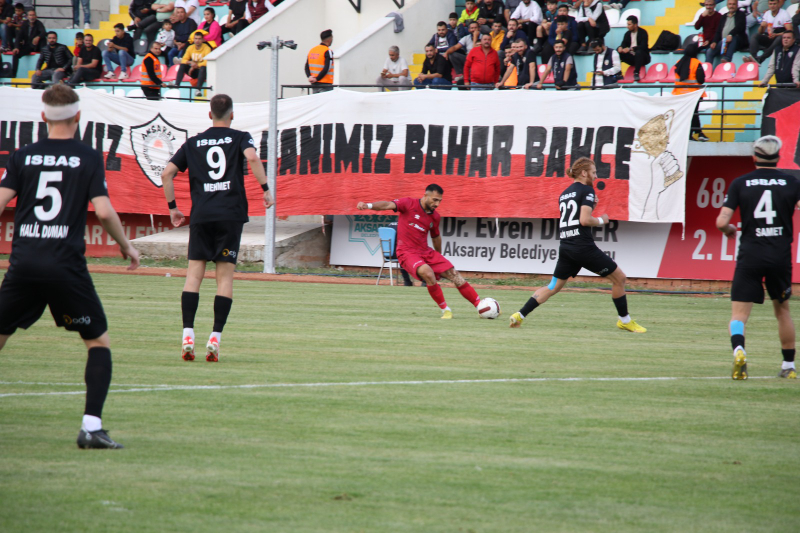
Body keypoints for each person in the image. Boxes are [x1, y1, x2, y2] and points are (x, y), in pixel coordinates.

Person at [0, 84, 140, 449]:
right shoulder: (88, 157)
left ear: (43, 117)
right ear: (79, 116)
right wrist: (126, 247)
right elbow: (105, 211)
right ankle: (91, 427)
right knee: (97, 342)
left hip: (24, 264)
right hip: (65, 267)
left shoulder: (22, 156)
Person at [161, 94, 274, 362]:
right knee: (224, 278)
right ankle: (215, 337)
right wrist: (266, 189)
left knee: (193, 276)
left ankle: (188, 334)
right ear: (231, 115)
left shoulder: (193, 142)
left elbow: (166, 174)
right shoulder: (240, 136)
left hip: (202, 215)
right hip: (229, 215)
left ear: (209, 115)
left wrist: (173, 208)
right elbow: (253, 159)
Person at [509, 157, 646, 333]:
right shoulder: (587, 190)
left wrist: (592, 207)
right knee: (619, 278)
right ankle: (624, 321)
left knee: (553, 287)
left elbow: (575, 219)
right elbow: (584, 220)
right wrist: (602, 220)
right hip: (582, 247)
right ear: (584, 172)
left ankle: (519, 315)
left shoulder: (565, 193)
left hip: (567, 246)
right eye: (594, 172)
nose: (595, 177)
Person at [715, 135, 800, 379]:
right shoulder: (792, 183)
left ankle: (739, 350)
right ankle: (788, 367)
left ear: (754, 157)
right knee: (782, 311)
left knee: (739, 314)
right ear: (779, 157)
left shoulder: (740, 183)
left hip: (750, 255)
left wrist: (728, 229)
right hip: (780, 255)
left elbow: (721, 221)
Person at [356, 185, 485, 319]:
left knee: (455, 275)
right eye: (435, 200)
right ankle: (445, 310)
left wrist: (439, 257)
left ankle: (481, 306)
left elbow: (435, 237)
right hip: (406, 252)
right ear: (425, 196)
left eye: (440, 201)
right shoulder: (408, 203)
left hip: (425, 251)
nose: (437, 204)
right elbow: (387, 205)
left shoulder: (435, 217)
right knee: (427, 272)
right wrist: (368, 205)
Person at [672, 43, 709, 142]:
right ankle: (698, 133)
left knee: (686, 115)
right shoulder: (696, 63)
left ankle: (691, 134)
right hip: (693, 94)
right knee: (693, 114)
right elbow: (701, 80)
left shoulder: (678, 62)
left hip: (679, 94)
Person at [173, 31, 212, 96]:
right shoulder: (190, 47)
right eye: (196, 38)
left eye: (199, 39)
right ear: (193, 39)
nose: (197, 40)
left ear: (202, 40)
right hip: (193, 71)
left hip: (203, 71)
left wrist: (195, 66)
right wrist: (191, 62)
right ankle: (176, 86)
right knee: (182, 65)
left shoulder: (207, 48)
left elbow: (207, 62)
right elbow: (184, 60)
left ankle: (198, 90)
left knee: (203, 67)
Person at [708, 0, 747, 64]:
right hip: (724, 42)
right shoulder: (723, 16)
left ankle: (727, 58)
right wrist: (714, 41)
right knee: (710, 51)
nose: (731, 6)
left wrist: (731, 34)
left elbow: (739, 27)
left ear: (737, 5)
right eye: (730, 4)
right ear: (727, 5)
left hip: (738, 41)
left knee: (733, 38)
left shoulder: (741, 14)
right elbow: (718, 31)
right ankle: (707, 71)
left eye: (733, 4)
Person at [10, 8, 45, 77]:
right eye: (30, 15)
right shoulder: (25, 24)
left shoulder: (38, 23)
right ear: (27, 16)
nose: (32, 17)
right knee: (15, 53)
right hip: (28, 46)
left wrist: (38, 37)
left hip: (37, 46)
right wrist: (16, 47)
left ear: (36, 16)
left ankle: (41, 71)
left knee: (43, 40)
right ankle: (13, 75)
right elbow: (19, 36)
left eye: (33, 15)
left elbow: (43, 32)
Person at [617, 14, 650, 81]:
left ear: (635, 25)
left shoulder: (643, 32)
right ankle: (619, 73)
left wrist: (630, 49)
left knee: (639, 52)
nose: (627, 26)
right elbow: (623, 44)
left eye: (629, 24)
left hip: (643, 57)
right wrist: (620, 48)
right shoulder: (627, 34)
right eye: (627, 24)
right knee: (617, 52)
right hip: (632, 58)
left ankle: (636, 73)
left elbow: (643, 46)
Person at [305, 29, 334, 93]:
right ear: (329, 39)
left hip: (314, 84)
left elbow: (307, 66)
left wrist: (310, 76)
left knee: (316, 102)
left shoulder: (312, 50)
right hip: (325, 84)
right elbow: (327, 67)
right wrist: (317, 78)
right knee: (326, 102)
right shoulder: (328, 51)